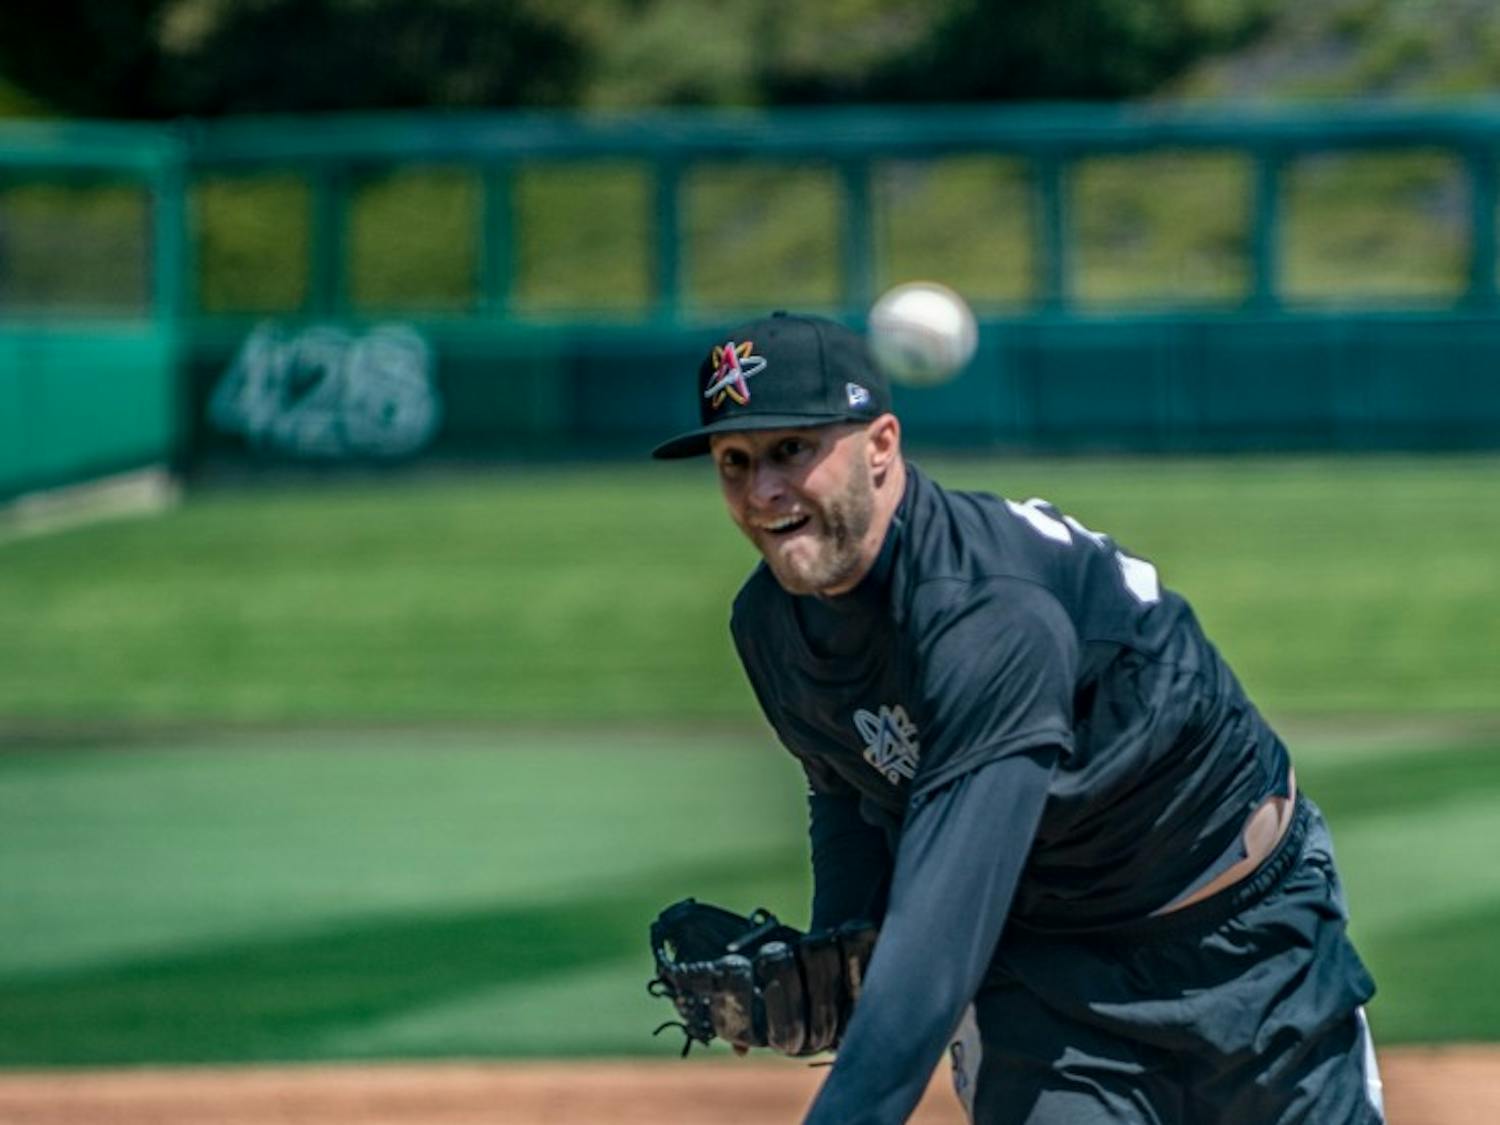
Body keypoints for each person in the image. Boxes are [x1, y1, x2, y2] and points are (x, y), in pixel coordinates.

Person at [651, 311, 1385, 1125]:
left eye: (792, 450)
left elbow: (946, 918)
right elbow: (846, 783)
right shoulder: (770, 627)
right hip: (1048, 977)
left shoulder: (986, 613)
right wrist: (846, 938)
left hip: (1242, 936)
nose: (762, 492)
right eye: (735, 462)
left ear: (882, 445)